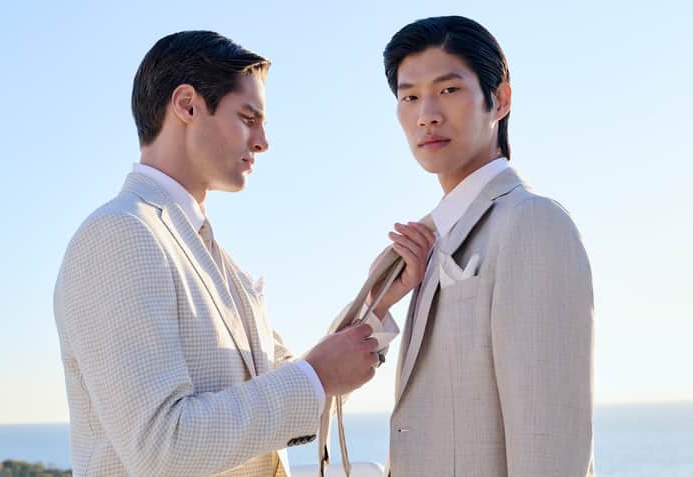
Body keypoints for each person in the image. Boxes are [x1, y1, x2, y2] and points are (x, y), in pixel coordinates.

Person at [53, 30, 433, 477]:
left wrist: (377, 302)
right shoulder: (120, 234)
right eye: (248, 117)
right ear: (187, 105)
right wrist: (314, 377)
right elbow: (160, 447)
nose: (263, 141)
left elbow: (301, 388)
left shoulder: (212, 256)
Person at [376, 16, 595, 476]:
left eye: (448, 89)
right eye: (410, 97)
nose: (427, 114)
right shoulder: (429, 239)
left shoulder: (531, 222)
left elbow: (547, 442)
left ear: (500, 100)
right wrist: (382, 303)